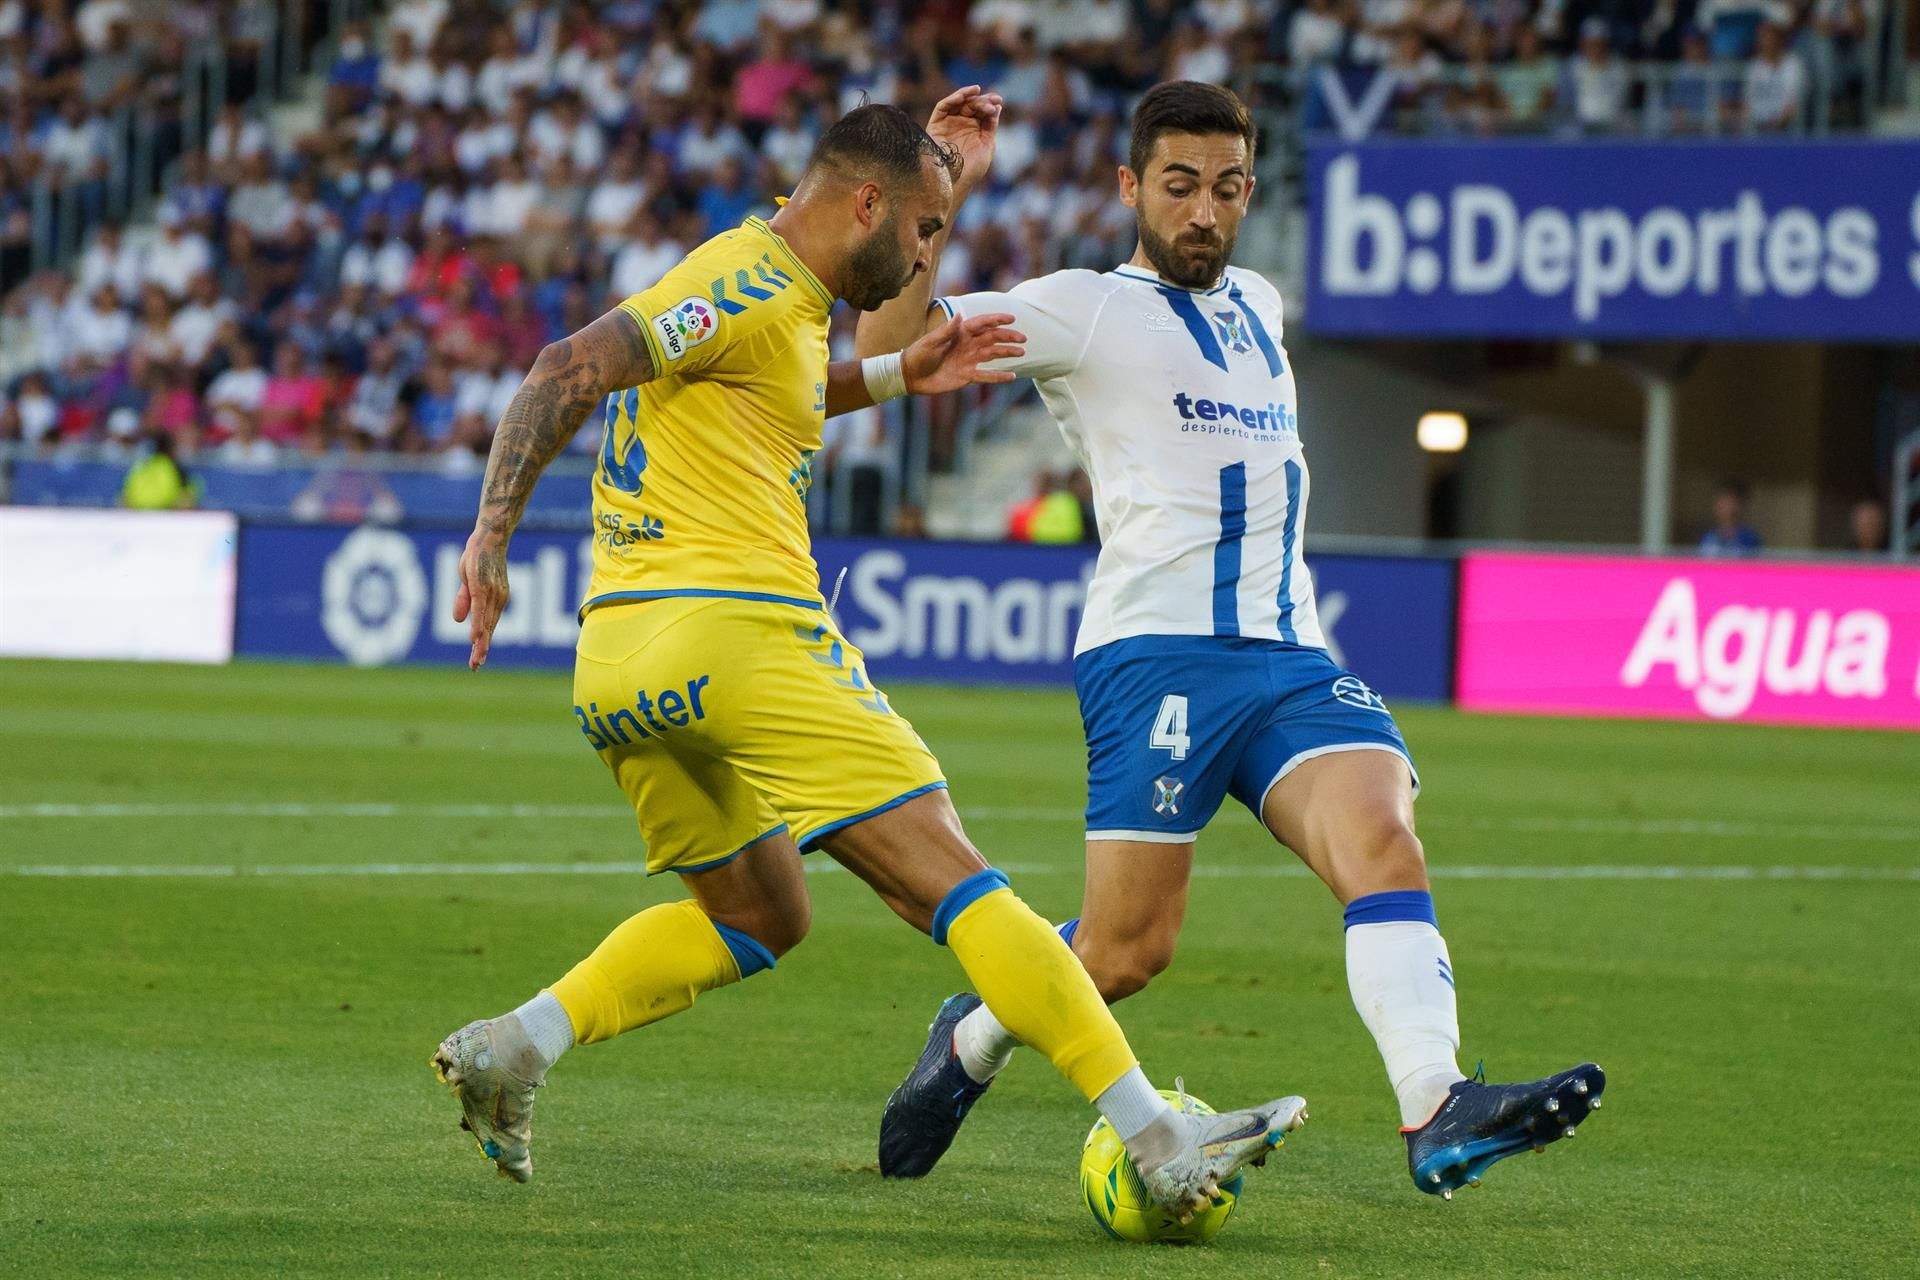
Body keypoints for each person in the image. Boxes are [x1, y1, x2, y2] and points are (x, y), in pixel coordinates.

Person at [429, 96, 1304, 1218]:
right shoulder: (744, 278)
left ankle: (521, 1043)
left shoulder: (778, 294)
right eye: (926, 232)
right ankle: (1159, 1137)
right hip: (739, 630)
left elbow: (782, 395)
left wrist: (899, 368)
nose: (926, 261)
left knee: (760, 914)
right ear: (866, 206)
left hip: (619, 663)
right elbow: (567, 365)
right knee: (967, 887)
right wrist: (491, 531)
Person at [858, 80, 1603, 1200]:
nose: (1203, 211)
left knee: (1385, 843)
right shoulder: (1080, 308)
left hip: (1293, 656)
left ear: (1249, 190)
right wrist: (942, 184)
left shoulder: (1260, 298)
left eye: (1227, 187)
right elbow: (887, 338)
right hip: (1156, 656)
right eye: (1178, 187)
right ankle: (973, 1033)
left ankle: (1436, 1103)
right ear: (1128, 189)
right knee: (1126, 950)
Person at [1699, 478, 1762, 555]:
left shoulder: (1750, 538)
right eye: (1722, 502)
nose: (1727, 507)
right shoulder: (1709, 537)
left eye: (1731, 502)